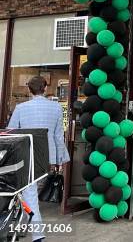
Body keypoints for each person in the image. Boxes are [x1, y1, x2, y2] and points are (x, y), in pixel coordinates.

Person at [8, 76, 70, 242]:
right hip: (46, 157)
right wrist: (60, 159)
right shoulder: (56, 108)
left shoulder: (21, 108)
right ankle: (25, 227)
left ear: (29, 89)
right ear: (45, 88)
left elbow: (11, 133)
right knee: (29, 193)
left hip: (26, 155)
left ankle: (37, 235)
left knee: (29, 193)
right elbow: (58, 136)